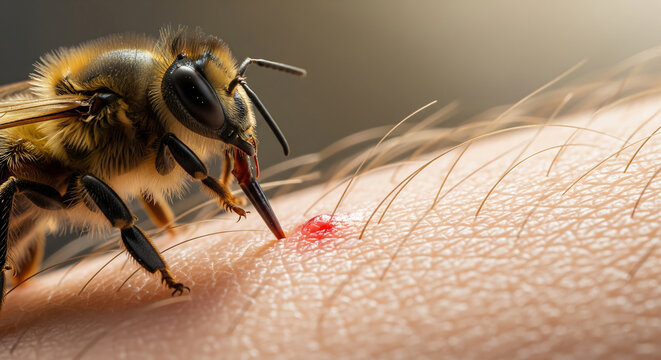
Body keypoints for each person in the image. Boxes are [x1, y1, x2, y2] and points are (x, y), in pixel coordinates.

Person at [1, 91, 660, 359]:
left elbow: (148, 162)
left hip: (35, 195)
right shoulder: (104, 110)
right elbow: (106, 178)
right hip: (18, 186)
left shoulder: (142, 126)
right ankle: (160, 266)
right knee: (67, 185)